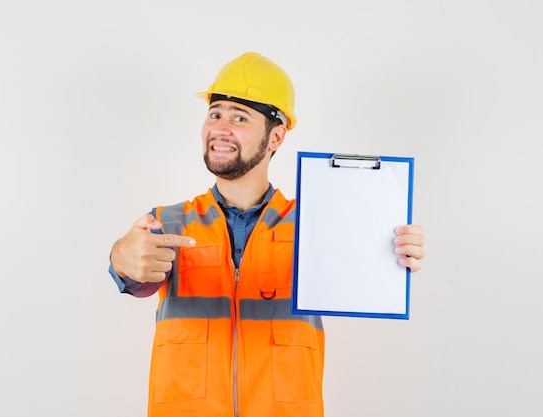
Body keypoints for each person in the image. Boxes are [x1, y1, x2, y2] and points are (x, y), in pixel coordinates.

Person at [108, 52, 426, 417]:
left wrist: (394, 250)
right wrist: (121, 255)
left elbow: (366, 275)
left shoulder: (316, 227)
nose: (220, 128)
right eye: (215, 114)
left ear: (276, 137)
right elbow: (135, 276)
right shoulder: (168, 223)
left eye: (239, 117)